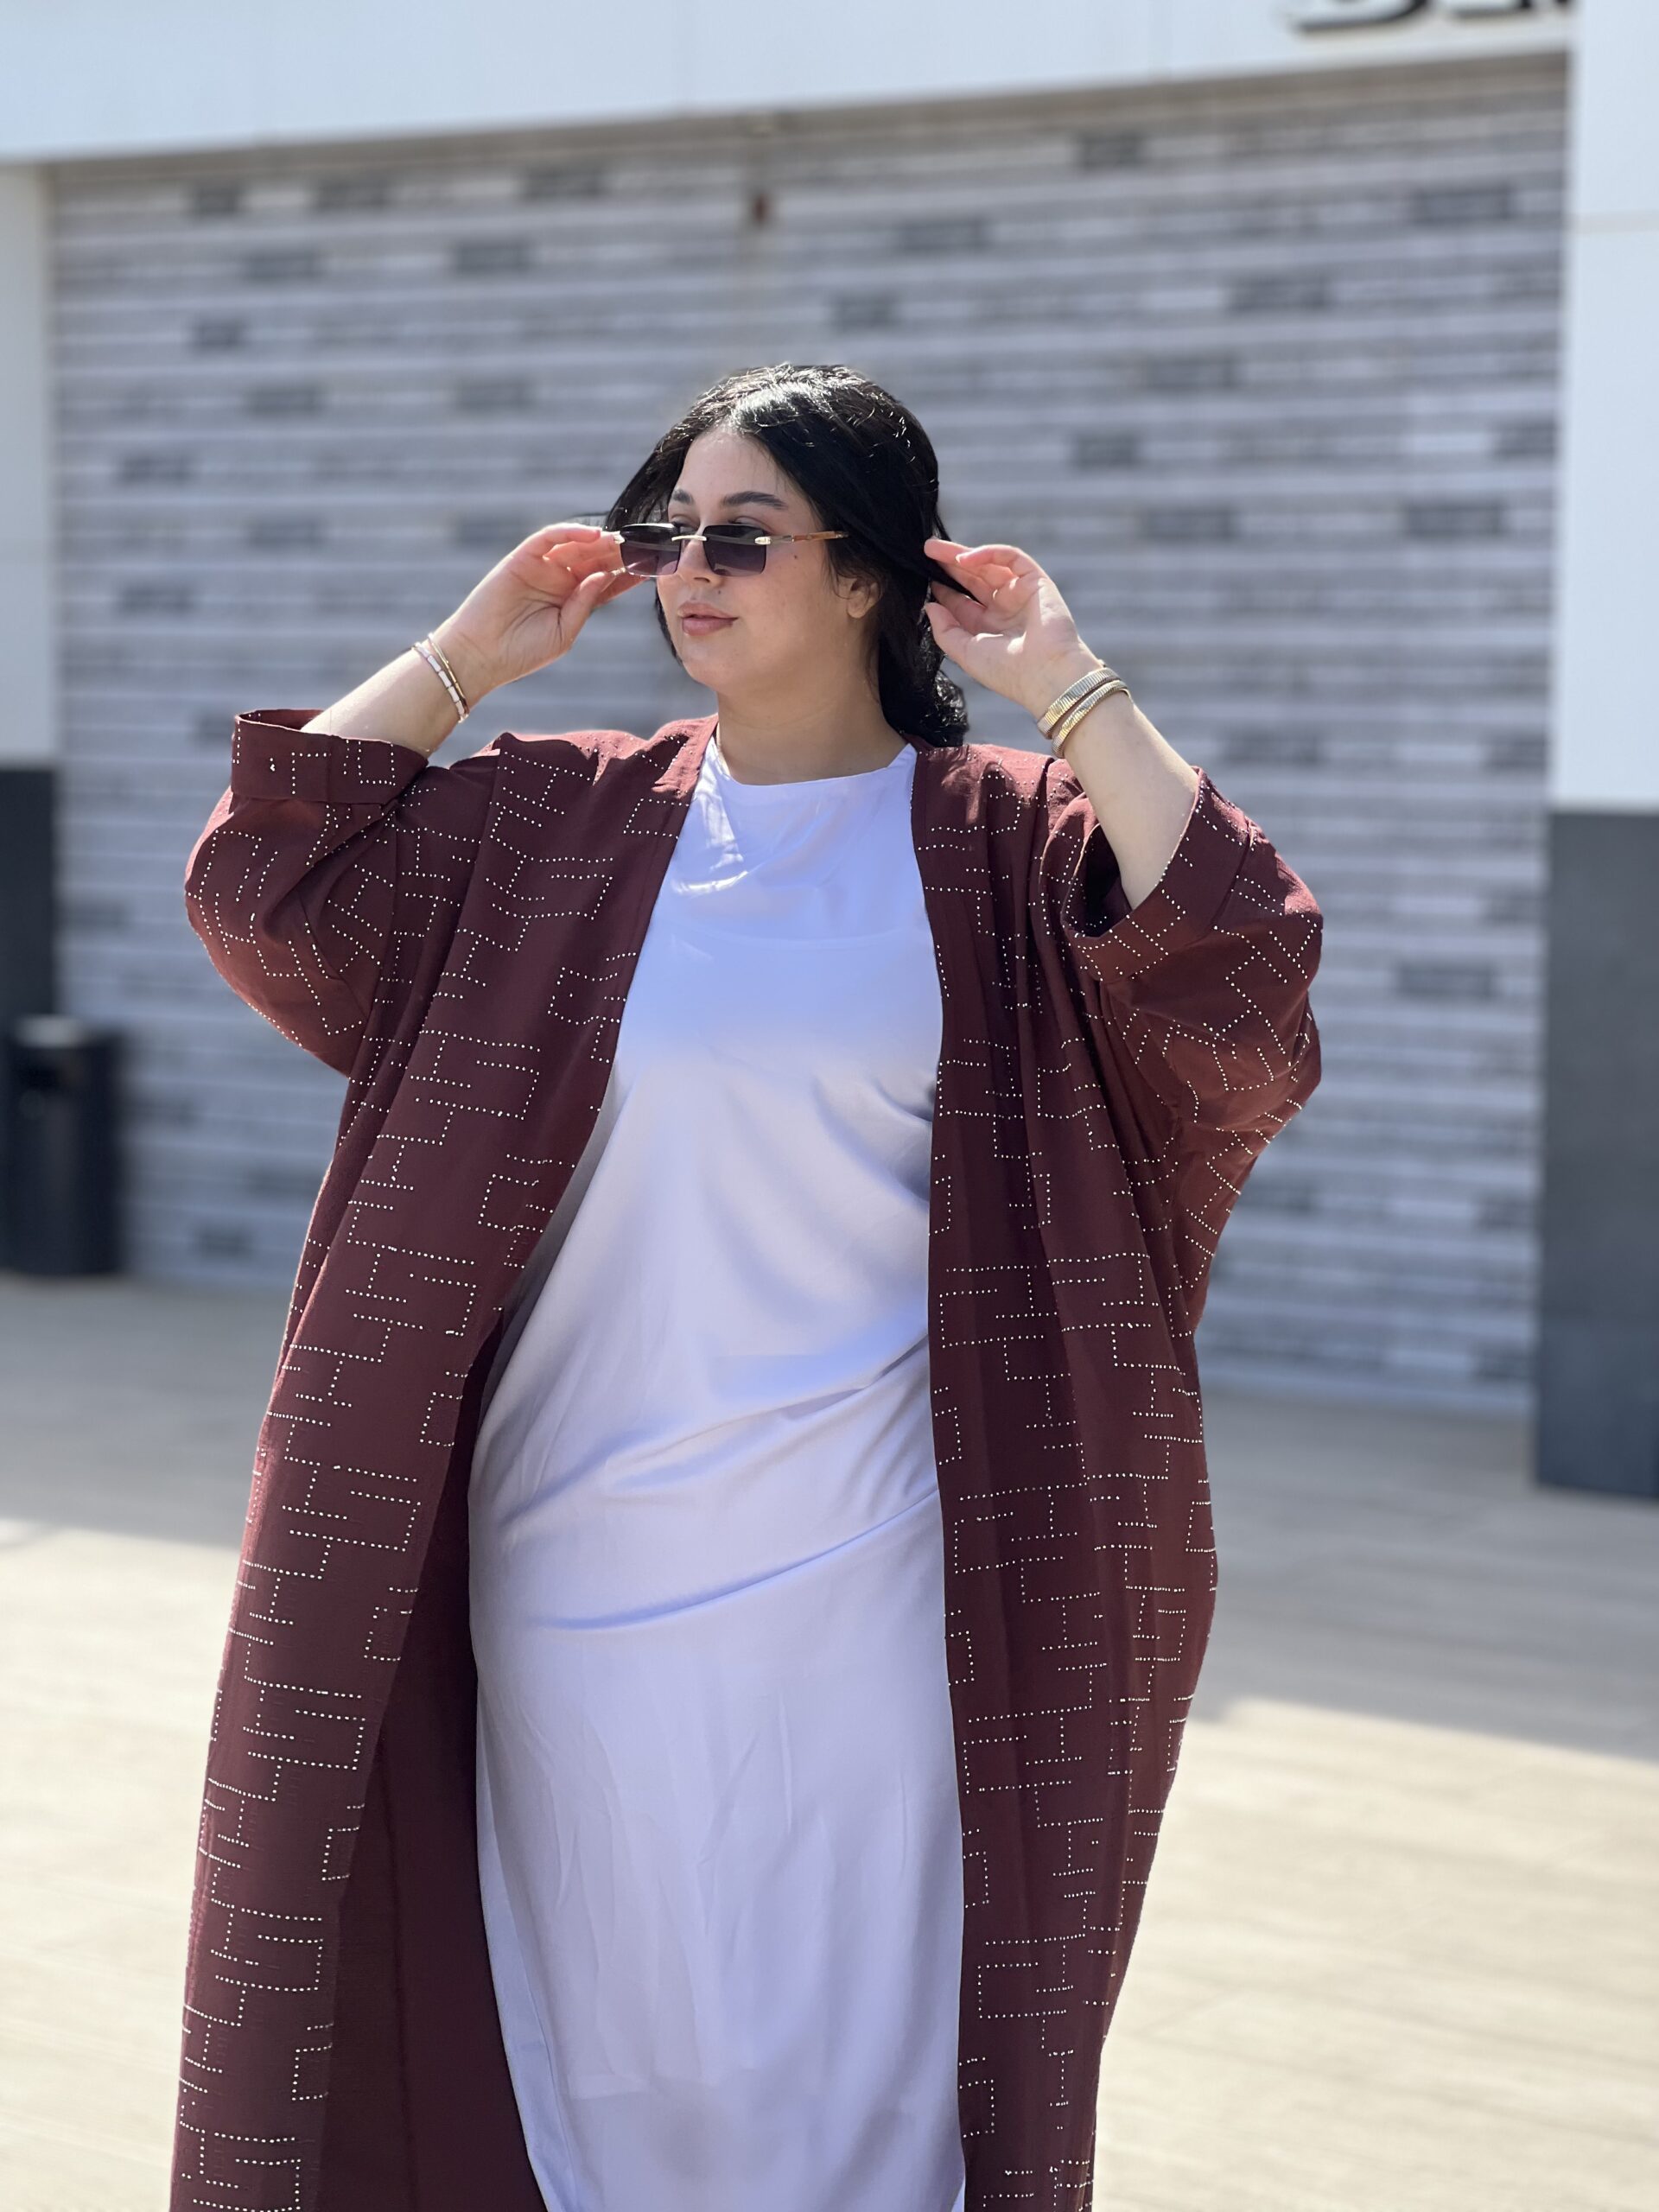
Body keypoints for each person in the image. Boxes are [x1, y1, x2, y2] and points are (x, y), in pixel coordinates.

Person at [175, 362, 1323, 2212]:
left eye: (742, 536)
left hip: (883, 1586)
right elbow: (264, 885)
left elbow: (1244, 977)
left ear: (869, 573)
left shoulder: (1004, 840)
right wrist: (469, 655)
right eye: (671, 533)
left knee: (858, 2064)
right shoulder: (556, 823)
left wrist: (1073, 685)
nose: (689, 571)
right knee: (609, 2048)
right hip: (576, 1565)